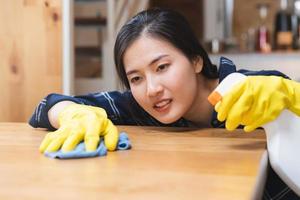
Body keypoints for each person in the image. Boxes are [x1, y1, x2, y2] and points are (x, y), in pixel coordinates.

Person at [29, 8, 300, 199]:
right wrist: (73, 114)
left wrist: (293, 95)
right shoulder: (142, 106)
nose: (152, 89)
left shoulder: (256, 91)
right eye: (136, 78)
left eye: (162, 67)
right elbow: (47, 106)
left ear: (196, 60)